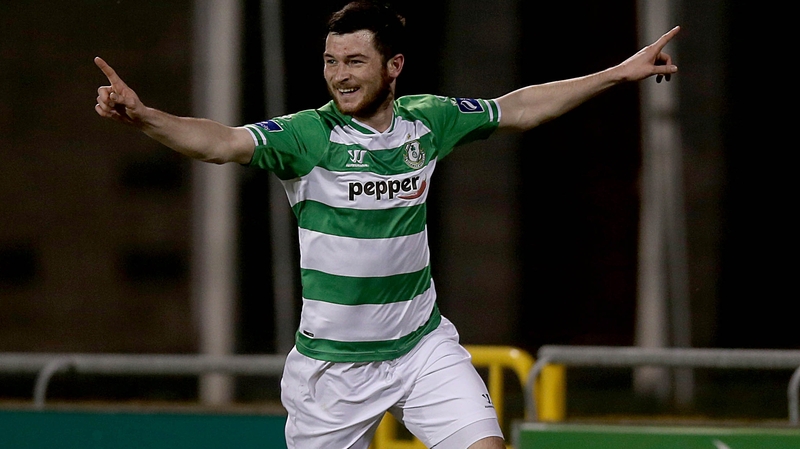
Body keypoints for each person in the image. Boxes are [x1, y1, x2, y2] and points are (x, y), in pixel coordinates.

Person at [94, 2, 679, 448]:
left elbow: (519, 108)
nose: (339, 76)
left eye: (354, 61)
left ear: (393, 65)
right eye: (330, 61)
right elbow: (220, 142)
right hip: (332, 371)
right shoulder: (307, 136)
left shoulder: (428, 122)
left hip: (420, 348)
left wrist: (615, 74)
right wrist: (146, 118)